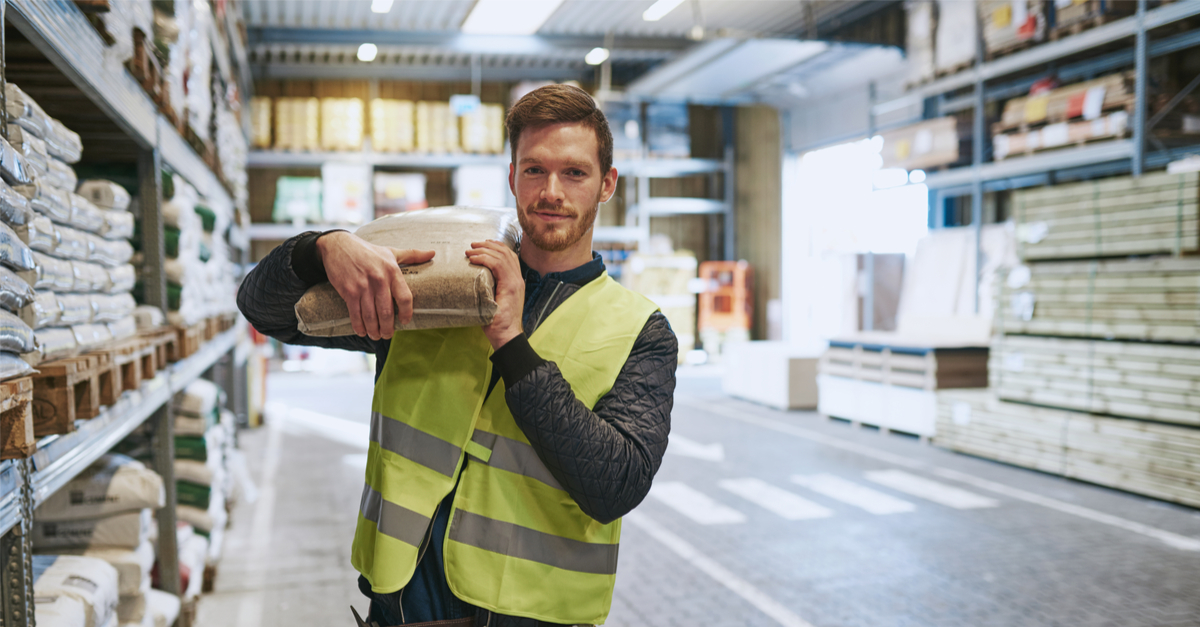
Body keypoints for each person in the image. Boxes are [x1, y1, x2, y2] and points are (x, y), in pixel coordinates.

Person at [237, 84, 678, 627]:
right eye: (534, 170)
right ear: (512, 176)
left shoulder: (640, 330)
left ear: (607, 184)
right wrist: (322, 248)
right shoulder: (440, 288)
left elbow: (617, 485)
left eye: (575, 173)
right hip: (401, 608)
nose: (551, 192)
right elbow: (266, 310)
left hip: (533, 615)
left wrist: (512, 345)